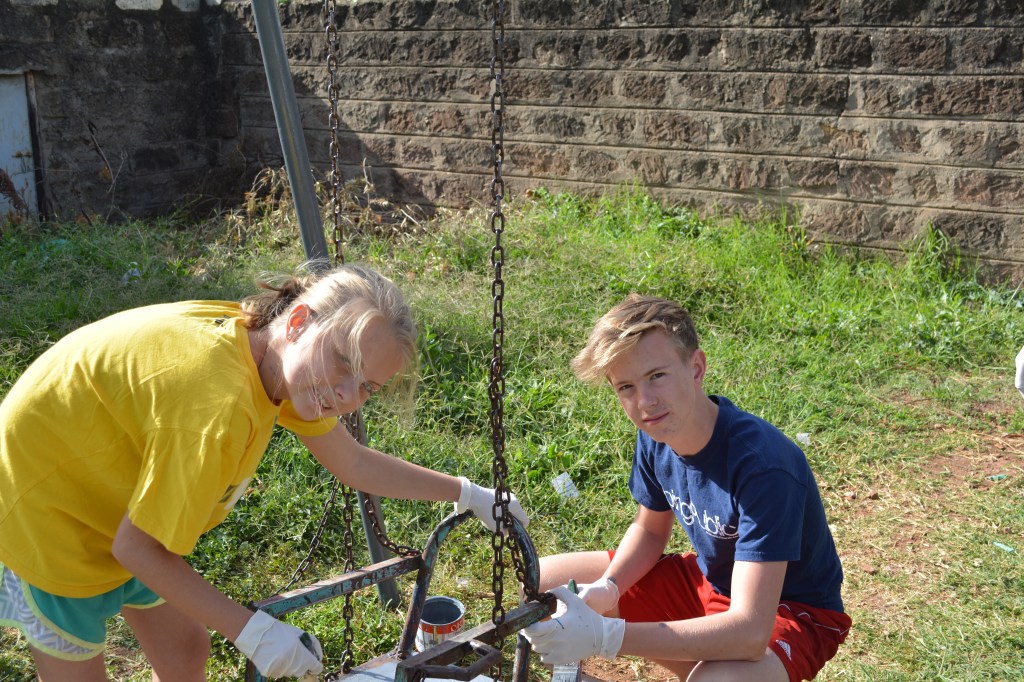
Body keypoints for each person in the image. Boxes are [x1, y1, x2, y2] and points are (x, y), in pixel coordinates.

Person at [0, 263, 527, 681]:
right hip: (48, 511)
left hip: (111, 492)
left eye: (368, 386)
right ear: (298, 321)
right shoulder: (216, 408)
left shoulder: (277, 359)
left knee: (185, 649)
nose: (346, 395)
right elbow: (138, 550)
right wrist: (251, 631)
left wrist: (467, 492)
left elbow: (353, 462)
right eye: (345, 364)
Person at [523, 294, 850, 682]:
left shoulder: (764, 465)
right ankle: (696, 663)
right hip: (708, 581)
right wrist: (609, 587)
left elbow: (749, 631)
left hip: (788, 611)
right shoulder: (657, 435)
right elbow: (648, 530)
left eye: (656, 376)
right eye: (625, 387)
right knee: (543, 581)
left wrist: (607, 636)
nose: (645, 402)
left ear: (696, 368)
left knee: (716, 678)